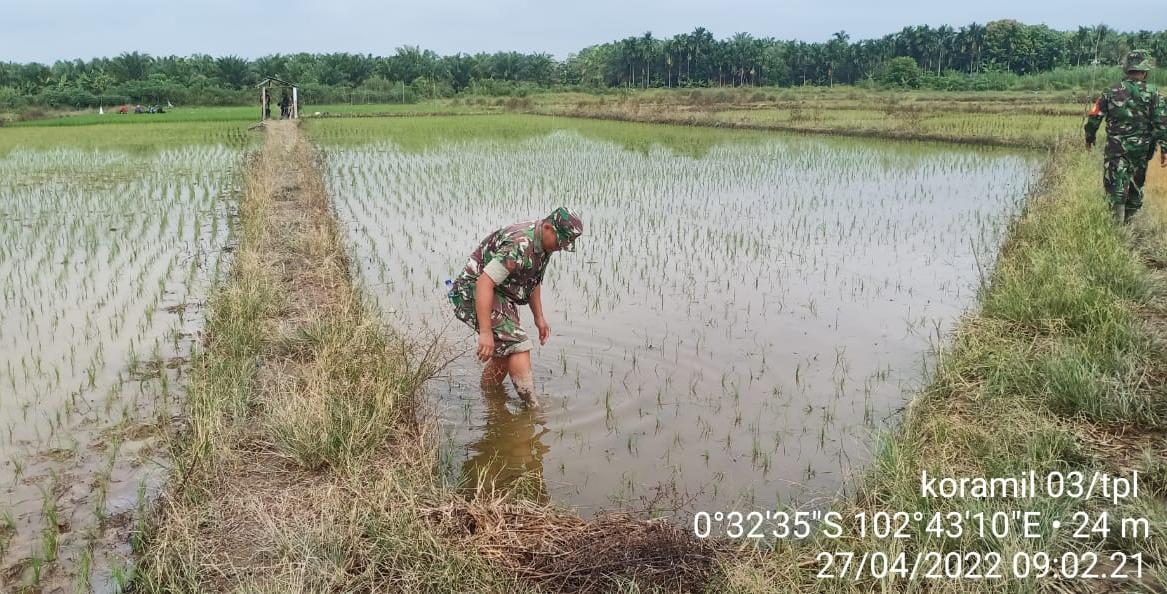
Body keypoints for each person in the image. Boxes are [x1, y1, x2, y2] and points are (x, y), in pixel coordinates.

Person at [448, 207, 584, 408]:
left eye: (567, 243)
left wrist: (539, 317)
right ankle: (532, 408)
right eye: (561, 241)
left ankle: (489, 400)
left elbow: (533, 280)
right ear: (548, 227)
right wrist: (485, 331)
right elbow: (484, 283)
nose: (562, 247)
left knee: (505, 352)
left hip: (499, 293)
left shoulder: (544, 244)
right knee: (519, 345)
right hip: (473, 291)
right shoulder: (520, 244)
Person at [1085, 49, 1167, 224]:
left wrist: (1089, 137)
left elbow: (1095, 115)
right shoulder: (1154, 94)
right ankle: (1128, 225)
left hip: (1116, 149)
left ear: (1126, 70)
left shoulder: (1111, 91)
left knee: (1115, 187)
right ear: (1144, 72)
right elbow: (1162, 123)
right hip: (1141, 150)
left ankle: (1117, 228)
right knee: (1136, 186)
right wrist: (1164, 148)